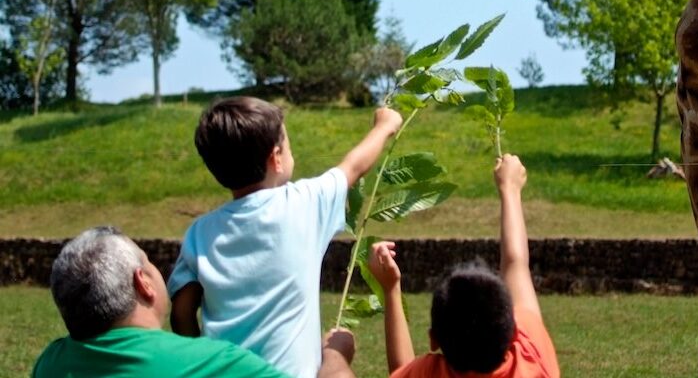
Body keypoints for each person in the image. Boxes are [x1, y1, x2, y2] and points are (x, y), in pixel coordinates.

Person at [168, 96, 402, 378]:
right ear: (276, 158)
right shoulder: (303, 204)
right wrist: (385, 126)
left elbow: (182, 313)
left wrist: (202, 360)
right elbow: (353, 166)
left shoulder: (199, 232)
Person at [32, 226, 356, 378]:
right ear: (143, 283)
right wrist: (335, 358)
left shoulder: (50, 364)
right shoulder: (210, 364)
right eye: (147, 263)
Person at [368, 154, 560, 377]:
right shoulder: (531, 362)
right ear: (514, 331)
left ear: (433, 339)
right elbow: (515, 264)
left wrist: (391, 290)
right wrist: (510, 189)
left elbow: (402, 372)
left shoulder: (432, 372)